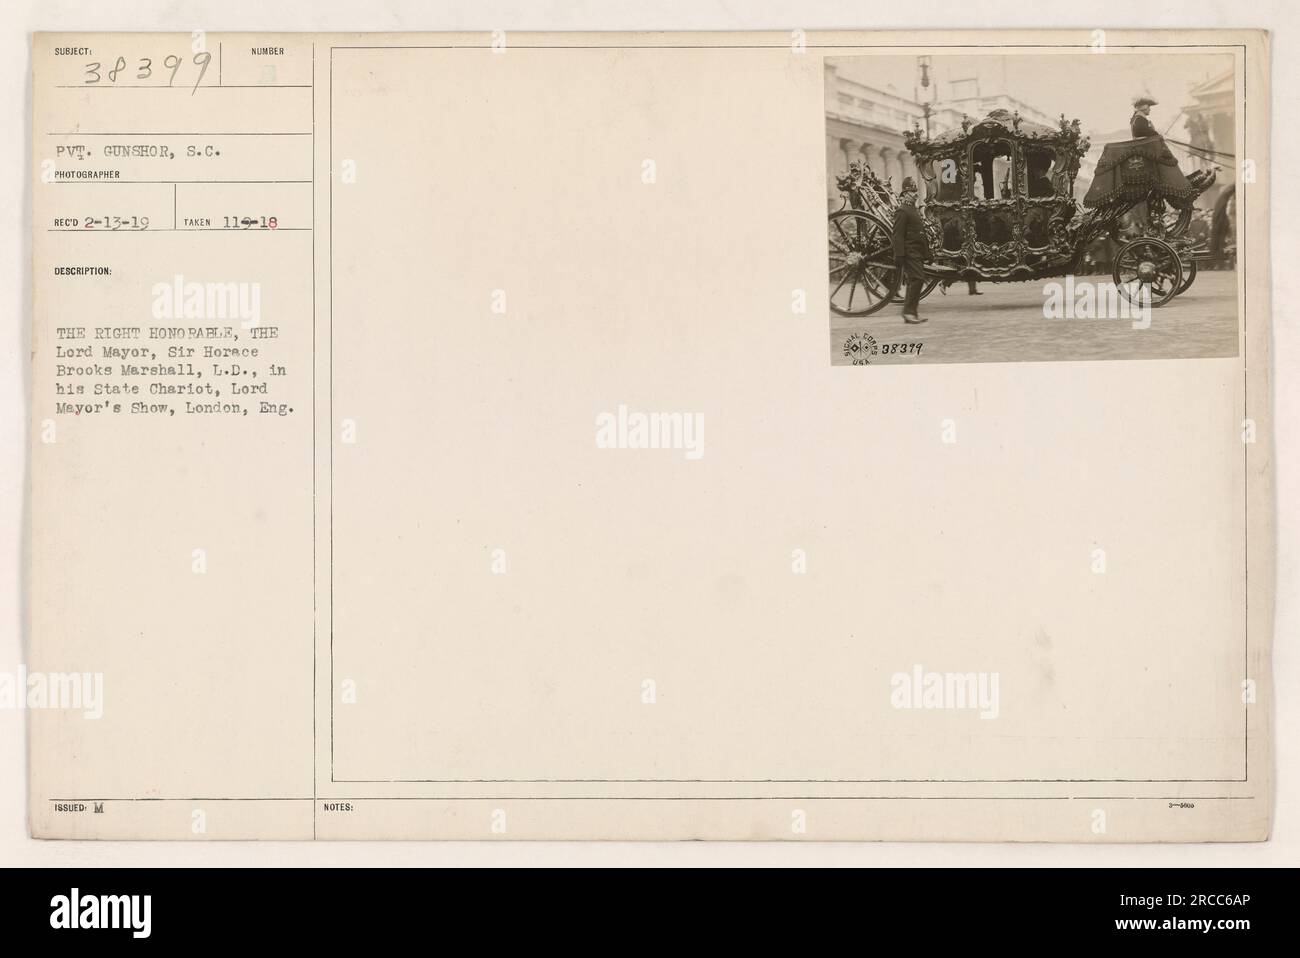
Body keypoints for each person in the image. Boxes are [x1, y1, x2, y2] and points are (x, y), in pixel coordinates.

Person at [892, 177, 928, 324]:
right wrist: (899, 255)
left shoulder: (912, 209)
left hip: (917, 251)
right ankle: (908, 312)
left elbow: (920, 232)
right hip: (909, 252)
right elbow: (898, 235)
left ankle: (911, 312)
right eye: (912, 191)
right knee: (917, 279)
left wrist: (927, 253)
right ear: (905, 193)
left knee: (916, 280)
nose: (915, 194)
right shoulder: (902, 211)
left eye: (915, 191)